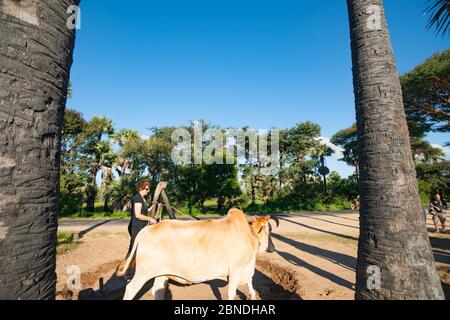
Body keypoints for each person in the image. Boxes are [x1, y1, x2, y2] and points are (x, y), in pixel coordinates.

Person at [126, 180, 157, 257]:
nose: (148, 191)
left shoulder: (142, 199)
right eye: (146, 189)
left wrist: (151, 208)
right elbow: (138, 214)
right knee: (134, 248)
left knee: (140, 247)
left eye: (148, 189)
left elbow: (143, 211)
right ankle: (128, 264)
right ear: (140, 188)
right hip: (136, 227)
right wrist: (150, 219)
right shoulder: (137, 198)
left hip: (141, 226)